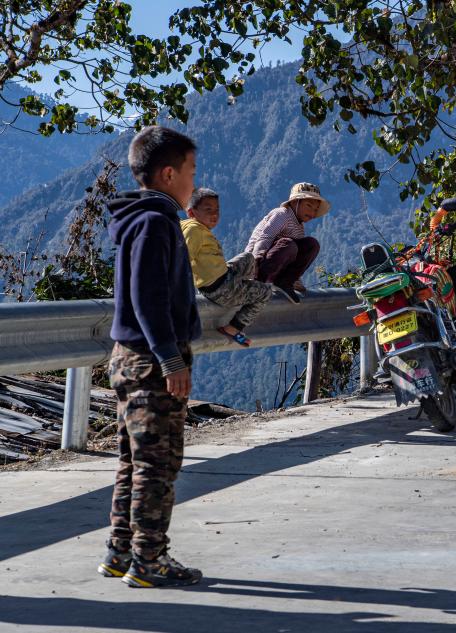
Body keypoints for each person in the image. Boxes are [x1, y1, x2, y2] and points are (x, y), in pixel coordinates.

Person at [99, 125, 203, 587]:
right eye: (190, 171)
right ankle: (149, 561)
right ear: (167, 174)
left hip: (130, 356)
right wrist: (171, 359)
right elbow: (148, 296)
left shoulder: (141, 218)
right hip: (150, 359)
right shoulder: (156, 221)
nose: (194, 182)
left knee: (133, 461)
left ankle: (120, 553)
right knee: (158, 466)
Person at [181, 187, 273, 346]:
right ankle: (234, 328)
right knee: (265, 292)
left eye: (217, 209)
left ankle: (245, 288)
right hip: (220, 288)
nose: (214, 214)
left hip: (224, 277)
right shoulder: (194, 230)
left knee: (248, 258)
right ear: (191, 213)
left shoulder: (191, 226)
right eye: (208, 210)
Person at [244, 182, 330, 304]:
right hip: (257, 265)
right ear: (295, 202)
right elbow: (265, 237)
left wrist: (295, 279)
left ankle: (285, 283)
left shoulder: (299, 227)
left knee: (312, 245)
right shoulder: (282, 214)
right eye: (309, 206)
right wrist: (255, 264)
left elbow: (297, 257)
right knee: (289, 245)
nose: (312, 212)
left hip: (276, 263)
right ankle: (258, 283)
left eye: (315, 209)